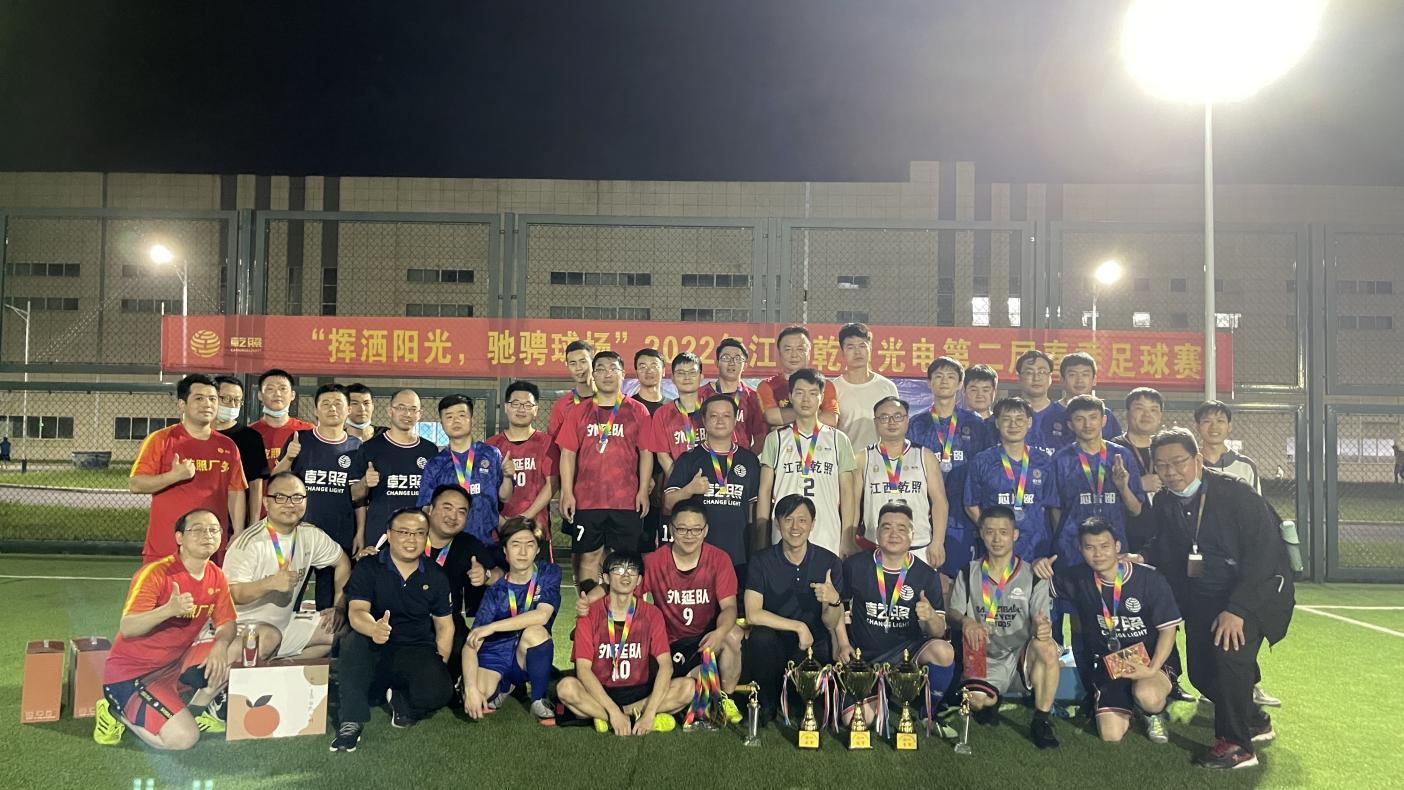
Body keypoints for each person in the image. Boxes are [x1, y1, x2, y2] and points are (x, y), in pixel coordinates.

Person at [1142, 428, 1294, 769]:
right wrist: (1142, 557)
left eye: (1178, 462)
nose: (1171, 472)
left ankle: (1238, 746)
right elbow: (1165, 547)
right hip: (1202, 598)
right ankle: (1254, 720)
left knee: (1228, 658)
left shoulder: (1236, 494)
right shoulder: (1165, 501)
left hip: (1252, 595)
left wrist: (1237, 609)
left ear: (1197, 460)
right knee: (1200, 672)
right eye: (1162, 465)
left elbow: (1265, 557)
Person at [94, 509, 237, 749]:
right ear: (179, 538)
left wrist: (221, 645)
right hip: (134, 673)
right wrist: (168, 610)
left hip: (174, 665)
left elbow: (227, 623)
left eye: (214, 530)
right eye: (198, 529)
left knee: (240, 646)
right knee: (184, 738)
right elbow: (127, 627)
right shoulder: (155, 573)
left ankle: (197, 709)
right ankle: (114, 710)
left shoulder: (217, 575)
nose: (208, 535)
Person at [1049, 517, 1181, 745]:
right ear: (1080, 549)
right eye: (1090, 547)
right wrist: (1038, 567)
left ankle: (1152, 713)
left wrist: (1151, 668)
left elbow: (1168, 631)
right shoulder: (1079, 577)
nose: (1098, 554)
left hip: (1149, 658)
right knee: (1110, 735)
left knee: (1148, 696)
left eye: (1104, 546)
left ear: (1117, 546)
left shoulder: (1149, 579)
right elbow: (1040, 585)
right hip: (1113, 662)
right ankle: (1128, 701)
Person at [332, 509, 454, 752]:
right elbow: (357, 611)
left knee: (439, 693)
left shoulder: (435, 574)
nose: (411, 539)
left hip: (415, 648)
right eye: (404, 532)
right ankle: (351, 720)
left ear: (427, 537)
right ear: (389, 534)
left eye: (419, 533)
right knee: (353, 642)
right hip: (373, 646)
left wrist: (439, 666)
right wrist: (373, 628)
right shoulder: (369, 567)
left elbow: (445, 626)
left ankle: (400, 697)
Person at [833, 503, 956, 731]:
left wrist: (930, 616)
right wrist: (842, 643)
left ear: (912, 535)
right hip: (864, 657)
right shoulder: (855, 566)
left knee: (944, 651)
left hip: (906, 655)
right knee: (856, 721)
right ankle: (883, 693)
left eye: (901, 528)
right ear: (877, 533)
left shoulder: (926, 575)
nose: (893, 534)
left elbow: (939, 632)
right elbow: (838, 607)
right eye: (886, 527)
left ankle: (928, 709)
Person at [946, 506, 1061, 748]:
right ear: (981, 534)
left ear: (1015, 535)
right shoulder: (968, 571)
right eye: (990, 532)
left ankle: (1042, 720)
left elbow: (1041, 619)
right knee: (975, 700)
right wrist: (966, 621)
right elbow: (952, 613)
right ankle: (991, 699)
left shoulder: (1033, 575)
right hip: (985, 656)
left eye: (1003, 532)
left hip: (1020, 656)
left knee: (1048, 648)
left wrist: (1041, 628)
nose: (997, 539)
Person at [556, 550, 694, 735]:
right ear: (606, 578)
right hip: (599, 691)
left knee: (688, 688)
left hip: (640, 692)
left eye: (632, 570)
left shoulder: (652, 614)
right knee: (566, 688)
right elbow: (583, 670)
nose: (626, 575)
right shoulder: (588, 615)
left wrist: (649, 712)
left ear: (639, 580)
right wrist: (613, 711)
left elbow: (666, 666)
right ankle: (620, 717)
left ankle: (607, 716)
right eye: (618, 570)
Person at [740, 495, 846, 724]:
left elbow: (830, 622)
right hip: (775, 644)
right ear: (778, 523)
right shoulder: (761, 561)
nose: (795, 527)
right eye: (788, 520)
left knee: (811, 712)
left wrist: (834, 601)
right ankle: (766, 704)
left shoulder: (829, 562)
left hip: (812, 647)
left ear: (813, 524)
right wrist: (798, 626)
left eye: (802, 520)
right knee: (760, 637)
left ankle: (799, 698)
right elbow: (752, 614)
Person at [224, 473, 350, 662]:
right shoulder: (249, 542)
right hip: (243, 626)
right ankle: (225, 672)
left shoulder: (310, 535)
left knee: (339, 630)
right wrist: (269, 583)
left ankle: (277, 667)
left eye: (297, 497)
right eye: (280, 497)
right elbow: (232, 594)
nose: (290, 504)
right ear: (266, 503)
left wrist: (339, 607)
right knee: (268, 637)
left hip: (283, 624)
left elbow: (342, 562)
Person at [557, 351, 654, 590]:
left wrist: (643, 490)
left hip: (626, 501)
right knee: (588, 557)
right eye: (600, 369)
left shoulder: (638, 410)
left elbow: (646, 453)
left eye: (613, 368)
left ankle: (624, 609)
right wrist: (567, 492)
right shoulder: (578, 412)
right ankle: (589, 608)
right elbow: (567, 454)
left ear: (623, 374)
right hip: (587, 501)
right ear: (593, 375)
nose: (607, 374)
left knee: (625, 560)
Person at [130, 374, 248, 564]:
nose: (207, 404)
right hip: (166, 548)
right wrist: (174, 476)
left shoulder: (228, 446)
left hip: (211, 549)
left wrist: (239, 532)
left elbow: (236, 490)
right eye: (199, 398)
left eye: (212, 399)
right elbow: (136, 484)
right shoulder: (161, 440)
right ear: (182, 404)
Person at [462, 517, 560, 725]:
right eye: (515, 544)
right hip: (496, 654)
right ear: (505, 551)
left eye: (529, 545)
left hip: (526, 651)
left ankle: (538, 699)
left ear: (537, 550)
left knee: (536, 631)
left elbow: (542, 615)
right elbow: (472, 643)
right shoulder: (495, 592)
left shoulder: (548, 573)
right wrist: (470, 689)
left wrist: (492, 627)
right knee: (477, 697)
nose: (523, 552)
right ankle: (504, 685)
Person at [403, 485, 503, 679]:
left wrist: (486, 575)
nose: (453, 516)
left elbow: (501, 574)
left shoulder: (468, 544)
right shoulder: (408, 536)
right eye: (447, 508)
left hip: (447, 621)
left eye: (461, 512)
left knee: (466, 649)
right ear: (430, 509)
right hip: (405, 618)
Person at [907, 356, 993, 581]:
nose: (944, 381)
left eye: (951, 377)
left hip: (964, 516)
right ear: (929, 383)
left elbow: (985, 471)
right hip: (925, 515)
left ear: (959, 384)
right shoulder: (916, 424)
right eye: (938, 376)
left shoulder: (976, 424)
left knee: (961, 582)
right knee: (925, 582)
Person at [756, 369, 858, 556]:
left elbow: (847, 492)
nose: (805, 399)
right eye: (799, 393)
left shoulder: (838, 440)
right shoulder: (775, 439)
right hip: (784, 536)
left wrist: (847, 538)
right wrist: (761, 539)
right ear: (790, 397)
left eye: (812, 393)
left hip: (827, 536)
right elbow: (764, 491)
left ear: (821, 398)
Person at [277, 384, 361, 610]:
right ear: (315, 410)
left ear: (348, 410)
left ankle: (329, 633)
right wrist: (288, 458)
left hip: (339, 533)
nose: (332, 408)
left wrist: (360, 531)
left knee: (329, 602)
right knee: (287, 596)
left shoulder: (356, 447)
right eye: (326, 404)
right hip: (300, 531)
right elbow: (275, 480)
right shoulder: (300, 440)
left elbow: (359, 498)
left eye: (338, 404)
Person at [663, 394, 762, 584]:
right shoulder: (689, 458)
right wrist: (689, 490)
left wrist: (755, 549)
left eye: (726, 416)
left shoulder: (749, 460)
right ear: (704, 420)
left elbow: (753, 512)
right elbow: (668, 504)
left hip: (739, 554)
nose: (720, 421)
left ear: (735, 420)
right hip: (698, 554)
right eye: (714, 416)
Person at [1047, 395, 1145, 573]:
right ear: (1070, 424)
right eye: (1079, 419)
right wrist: (1062, 542)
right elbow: (1055, 509)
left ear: (1104, 420)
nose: (1087, 424)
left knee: (1112, 590)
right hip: (1071, 548)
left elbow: (1136, 510)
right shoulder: (1061, 459)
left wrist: (1122, 487)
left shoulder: (1122, 455)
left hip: (1113, 548)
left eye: (1093, 417)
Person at [857, 396, 949, 571]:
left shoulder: (925, 455)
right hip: (876, 546)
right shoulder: (863, 457)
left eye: (898, 416)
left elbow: (940, 502)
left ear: (907, 420)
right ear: (875, 422)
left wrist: (938, 542)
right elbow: (853, 504)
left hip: (919, 547)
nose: (891, 422)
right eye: (884, 417)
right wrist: (849, 539)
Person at [964, 397, 1057, 563]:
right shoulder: (982, 461)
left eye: (1019, 419)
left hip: (1037, 547)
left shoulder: (1043, 460)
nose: (1013, 425)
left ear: (1029, 422)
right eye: (1006, 419)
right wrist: (990, 531)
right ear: (997, 423)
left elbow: (1053, 505)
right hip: (996, 546)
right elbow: (971, 504)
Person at [349, 389, 439, 552]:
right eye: (401, 408)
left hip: (418, 534)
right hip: (379, 532)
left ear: (420, 414)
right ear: (390, 411)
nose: (407, 413)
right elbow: (355, 496)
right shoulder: (370, 448)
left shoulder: (430, 450)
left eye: (413, 409)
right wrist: (365, 483)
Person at [417, 394, 512, 545]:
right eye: (449, 416)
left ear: (471, 419)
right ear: (442, 423)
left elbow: (505, 497)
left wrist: (507, 477)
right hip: (448, 545)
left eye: (462, 415)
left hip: (486, 542)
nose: (456, 421)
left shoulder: (491, 454)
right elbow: (425, 507)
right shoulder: (436, 463)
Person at [487, 381, 559, 554]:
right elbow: (484, 491)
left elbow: (552, 484)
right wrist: (501, 521)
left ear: (536, 409)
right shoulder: (491, 446)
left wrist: (524, 517)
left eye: (527, 405)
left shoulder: (547, 443)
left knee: (538, 573)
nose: (521, 409)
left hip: (536, 529)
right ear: (506, 407)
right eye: (516, 404)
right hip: (499, 530)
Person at [213, 375, 270, 531]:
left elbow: (255, 484)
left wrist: (253, 524)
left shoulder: (251, 437)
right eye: (226, 399)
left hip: (235, 521)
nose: (232, 405)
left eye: (237, 400)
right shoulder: (197, 435)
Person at [831, 322, 899, 449]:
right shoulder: (833, 388)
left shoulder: (887, 387)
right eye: (850, 347)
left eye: (862, 345)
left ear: (870, 348)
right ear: (842, 352)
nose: (857, 352)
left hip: (881, 458)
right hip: (846, 458)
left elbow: (896, 428)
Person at [758, 326, 839, 428]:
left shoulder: (825, 384)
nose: (794, 355)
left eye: (800, 349)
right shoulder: (767, 386)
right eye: (788, 349)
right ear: (779, 352)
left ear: (809, 352)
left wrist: (785, 418)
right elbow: (772, 417)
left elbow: (831, 419)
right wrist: (816, 412)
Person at [248, 369, 314, 492]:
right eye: (270, 389)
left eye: (283, 389)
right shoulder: (248, 434)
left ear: (293, 395)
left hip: (296, 501)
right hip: (259, 502)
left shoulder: (308, 431)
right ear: (260, 395)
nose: (277, 394)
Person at [699, 337, 768, 451]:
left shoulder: (753, 398)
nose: (731, 363)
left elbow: (761, 437)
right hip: (707, 458)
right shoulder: (700, 395)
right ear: (717, 363)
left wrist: (746, 458)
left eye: (737, 358)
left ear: (745, 365)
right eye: (726, 358)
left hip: (740, 460)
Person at [651, 351, 706, 480]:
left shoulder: (713, 409)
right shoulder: (662, 414)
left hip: (714, 484)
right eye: (681, 373)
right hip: (679, 485)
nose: (687, 377)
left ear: (701, 377)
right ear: (673, 379)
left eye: (692, 373)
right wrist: (679, 483)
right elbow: (662, 456)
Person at [1194, 401, 1262, 494]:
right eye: (1207, 421)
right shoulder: (1189, 464)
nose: (1214, 426)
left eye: (1220, 421)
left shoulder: (1246, 466)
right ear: (1197, 427)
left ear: (1229, 427)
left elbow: (1254, 502)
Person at [1110, 387, 1165, 496]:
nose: (1147, 414)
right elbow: (1103, 488)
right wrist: (1138, 484)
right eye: (1139, 408)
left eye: (1153, 410)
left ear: (1160, 417)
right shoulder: (1113, 448)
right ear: (1127, 414)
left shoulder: (1165, 447)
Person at [1014, 349, 1071, 455]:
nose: (1036, 378)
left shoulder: (1066, 416)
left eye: (1042, 372)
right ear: (1019, 377)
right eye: (1029, 372)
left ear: (1050, 378)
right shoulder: (1006, 416)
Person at [1057, 352, 1122, 439]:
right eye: (1072, 375)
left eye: (1085, 375)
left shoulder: (1105, 414)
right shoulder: (1051, 412)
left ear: (1094, 380)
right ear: (1062, 380)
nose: (1079, 380)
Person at [632, 348, 669, 415]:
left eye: (654, 366)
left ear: (663, 371)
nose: (649, 371)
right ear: (636, 372)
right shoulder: (626, 407)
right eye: (643, 367)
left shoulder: (674, 408)